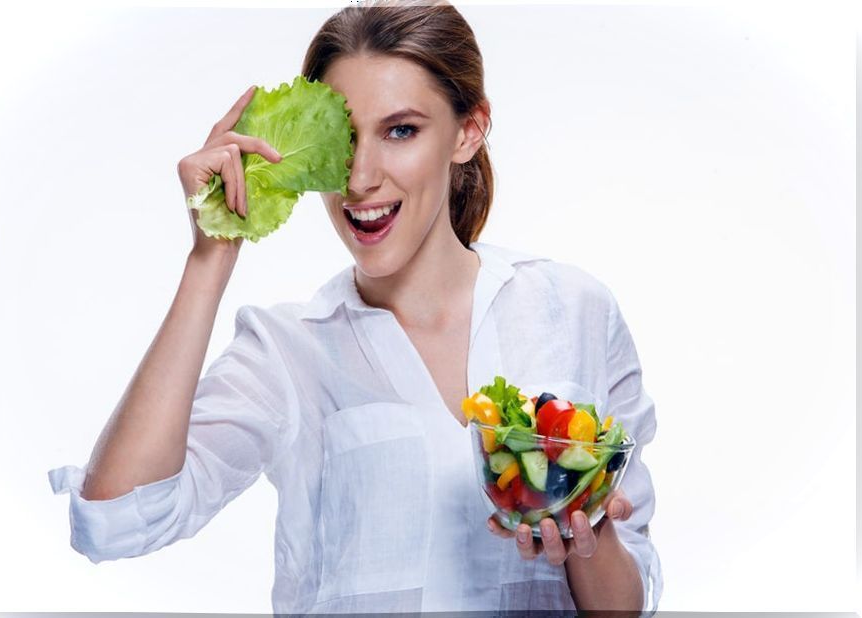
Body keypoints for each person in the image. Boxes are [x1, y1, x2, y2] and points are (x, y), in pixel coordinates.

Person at [49, 1, 662, 612]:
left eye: (401, 130)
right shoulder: (286, 350)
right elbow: (112, 522)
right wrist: (210, 259)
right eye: (342, 139)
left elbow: (628, 605)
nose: (360, 177)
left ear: (468, 131)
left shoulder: (573, 310)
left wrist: (590, 538)